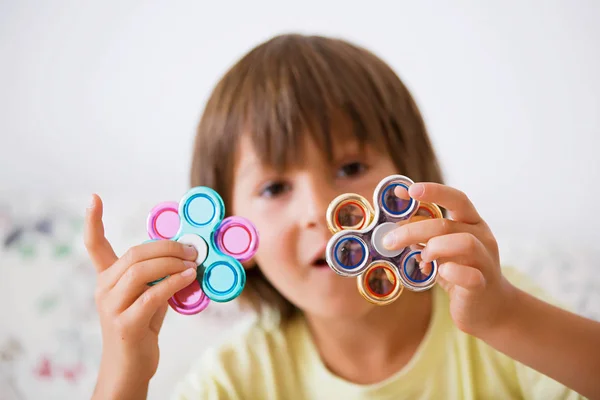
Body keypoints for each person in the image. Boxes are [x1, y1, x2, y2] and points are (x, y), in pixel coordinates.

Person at [84, 34, 600, 400]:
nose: (319, 213)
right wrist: (123, 374)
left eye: (351, 166)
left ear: (409, 185)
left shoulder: (493, 311)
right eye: (275, 187)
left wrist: (506, 316)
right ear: (231, 234)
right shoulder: (238, 379)